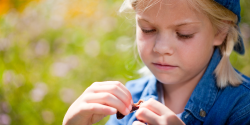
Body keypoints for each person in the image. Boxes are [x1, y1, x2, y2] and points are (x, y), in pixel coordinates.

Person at [63, 0, 250, 124]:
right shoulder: (131, 98)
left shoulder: (242, 108)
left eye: (183, 34)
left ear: (220, 32)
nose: (161, 48)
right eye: (148, 29)